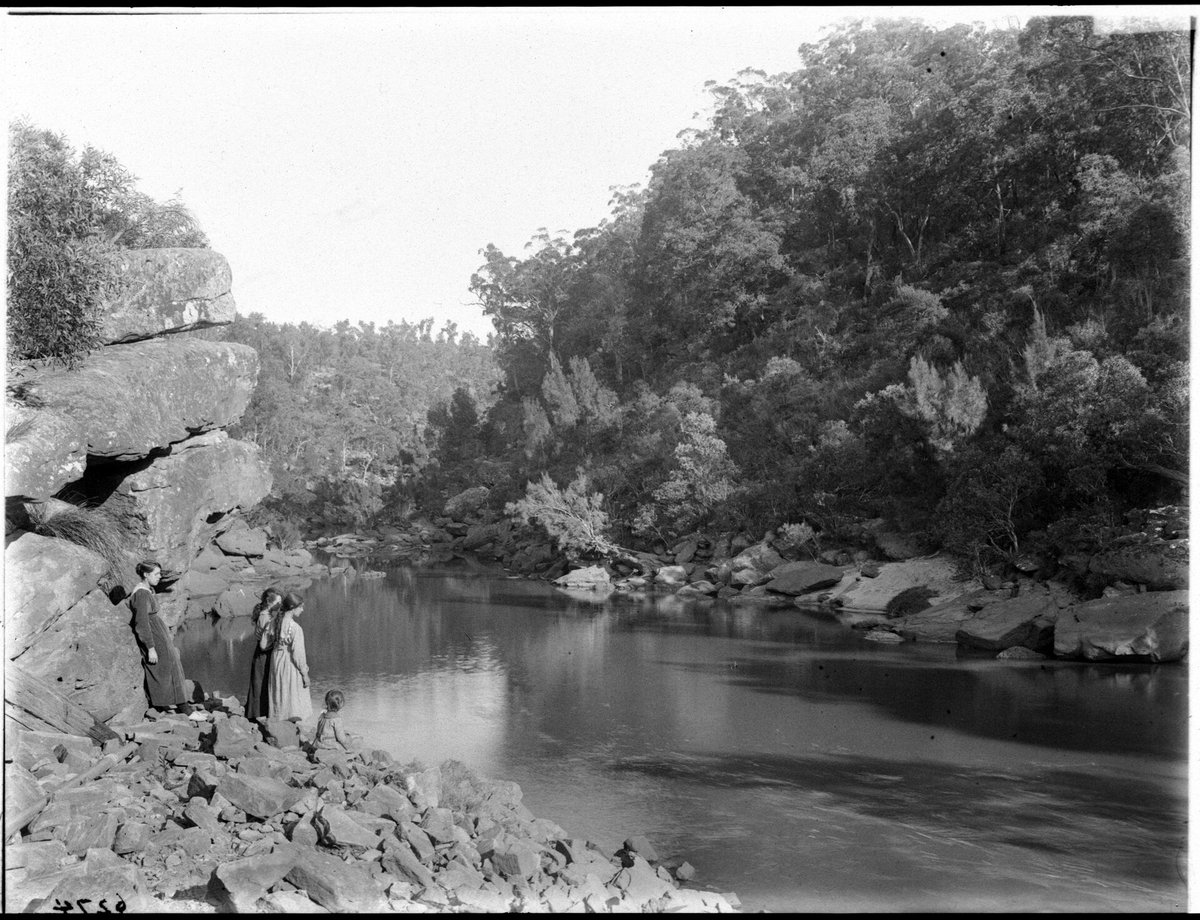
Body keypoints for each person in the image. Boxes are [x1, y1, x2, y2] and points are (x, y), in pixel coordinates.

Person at [129, 560, 190, 714]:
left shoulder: (146, 591)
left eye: (159, 574)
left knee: (171, 665)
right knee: (166, 668)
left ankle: (172, 704)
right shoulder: (141, 593)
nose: (159, 577)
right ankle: (183, 708)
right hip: (154, 636)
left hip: (159, 634)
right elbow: (141, 622)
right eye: (156, 574)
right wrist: (150, 647)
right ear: (146, 574)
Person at [268, 592, 313, 723]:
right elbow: (298, 654)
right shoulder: (295, 628)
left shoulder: (274, 622)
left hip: (276, 660)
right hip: (289, 662)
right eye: (301, 607)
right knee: (291, 693)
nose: (302, 610)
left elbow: (267, 642)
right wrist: (305, 674)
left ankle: (278, 720)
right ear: (293, 608)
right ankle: (291, 723)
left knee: (280, 691)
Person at [244, 587, 282, 721]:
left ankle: (257, 713)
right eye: (278, 602)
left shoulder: (264, 614)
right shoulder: (266, 617)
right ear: (270, 602)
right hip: (264, 652)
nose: (280, 605)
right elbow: (266, 639)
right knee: (260, 682)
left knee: (260, 681)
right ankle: (257, 713)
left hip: (261, 651)